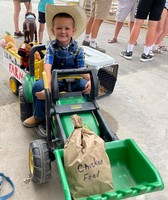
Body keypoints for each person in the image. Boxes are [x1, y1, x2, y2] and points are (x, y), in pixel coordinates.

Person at [23, 4, 91, 127]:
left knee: (88, 88)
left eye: (67, 28)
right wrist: (47, 88)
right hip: (55, 81)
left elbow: (82, 68)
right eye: (59, 28)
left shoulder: (78, 49)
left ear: (73, 31)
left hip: (74, 80)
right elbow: (47, 67)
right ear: (53, 30)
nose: (63, 31)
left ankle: (85, 112)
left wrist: (90, 80)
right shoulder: (51, 48)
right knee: (37, 87)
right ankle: (38, 116)